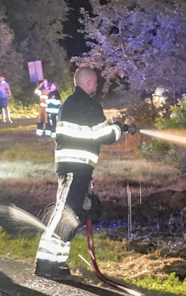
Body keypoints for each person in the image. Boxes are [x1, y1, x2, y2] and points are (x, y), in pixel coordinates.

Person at [35, 68, 136, 279]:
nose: (97, 86)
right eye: (96, 82)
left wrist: (118, 128)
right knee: (65, 213)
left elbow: (89, 133)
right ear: (89, 82)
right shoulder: (88, 105)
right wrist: (118, 127)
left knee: (71, 214)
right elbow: (103, 135)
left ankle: (57, 262)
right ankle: (45, 263)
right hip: (76, 167)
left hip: (74, 167)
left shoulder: (71, 103)